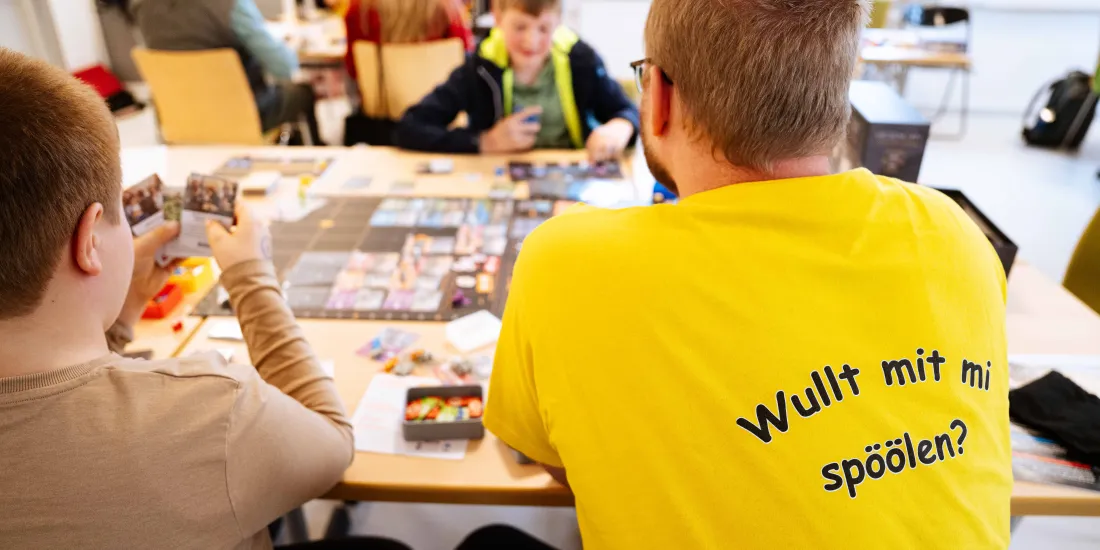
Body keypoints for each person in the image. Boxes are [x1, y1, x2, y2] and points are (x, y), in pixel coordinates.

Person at [483, 0, 1013, 548]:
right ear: (837, 100)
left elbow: (559, 463)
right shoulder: (955, 236)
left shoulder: (564, 264)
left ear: (658, 97)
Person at [0, 48, 404, 548]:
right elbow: (332, 444)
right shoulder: (213, 412)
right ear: (89, 243)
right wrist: (251, 276)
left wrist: (120, 320)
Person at [394, 0, 639, 160]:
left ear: (558, 23)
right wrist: (485, 142)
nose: (531, 41)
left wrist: (619, 128)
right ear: (498, 17)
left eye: (544, 29)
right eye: (520, 27)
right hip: (499, 176)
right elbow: (411, 127)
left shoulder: (581, 60)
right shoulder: (479, 68)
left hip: (573, 180)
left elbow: (627, 111)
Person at [130, 0, 325, 145]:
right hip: (245, 116)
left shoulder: (141, 7)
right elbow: (283, 67)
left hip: (180, 121)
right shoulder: (231, 5)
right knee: (302, 92)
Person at [343, 0, 473, 98]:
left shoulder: (359, 10)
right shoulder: (449, 9)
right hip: (439, 114)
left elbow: (353, 69)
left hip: (379, 114)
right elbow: (464, 61)